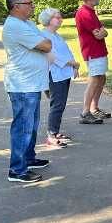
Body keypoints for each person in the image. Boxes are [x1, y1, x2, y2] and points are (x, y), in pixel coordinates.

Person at [2, 0, 51, 183]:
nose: (32, 6)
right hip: (22, 85)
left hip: (31, 83)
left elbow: (46, 42)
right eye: (28, 3)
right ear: (16, 6)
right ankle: (17, 170)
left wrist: (43, 43)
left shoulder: (27, 23)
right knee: (23, 127)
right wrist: (43, 43)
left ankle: (28, 158)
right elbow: (46, 45)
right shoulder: (14, 26)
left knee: (31, 125)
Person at [40, 8, 80, 147]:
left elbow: (67, 52)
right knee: (57, 105)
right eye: (57, 17)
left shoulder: (56, 35)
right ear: (49, 20)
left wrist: (74, 66)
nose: (60, 19)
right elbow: (54, 57)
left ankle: (55, 131)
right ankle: (51, 135)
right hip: (55, 75)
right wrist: (73, 63)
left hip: (63, 74)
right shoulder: (44, 35)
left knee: (60, 104)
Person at [75, 0, 109, 124]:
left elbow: (102, 32)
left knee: (101, 78)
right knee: (95, 79)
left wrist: (103, 32)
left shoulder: (90, 11)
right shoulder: (84, 13)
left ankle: (94, 108)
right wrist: (103, 32)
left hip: (98, 51)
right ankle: (85, 112)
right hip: (92, 51)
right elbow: (100, 34)